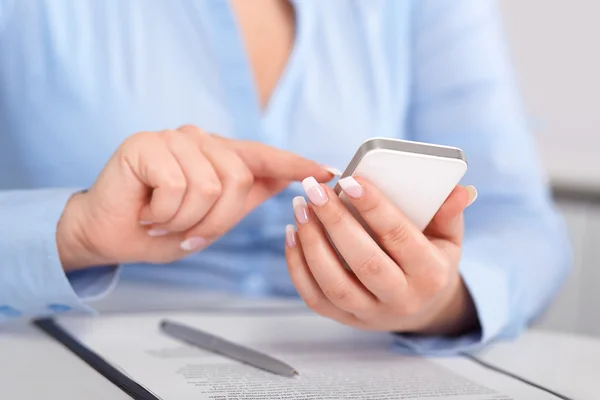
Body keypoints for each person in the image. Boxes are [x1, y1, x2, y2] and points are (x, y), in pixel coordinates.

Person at [0, 0, 570, 354]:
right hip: (78, 354)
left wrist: (438, 302)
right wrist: (72, 233)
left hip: (364, 361)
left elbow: (520, 220)